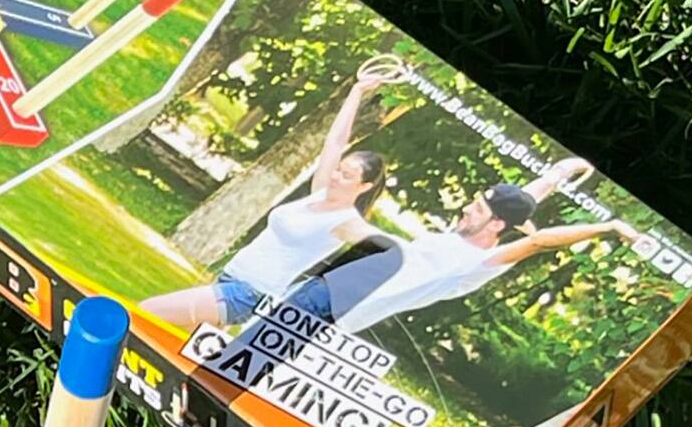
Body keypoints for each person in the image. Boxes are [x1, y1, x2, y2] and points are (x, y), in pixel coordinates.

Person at [142, 68, 394, 331]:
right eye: (339, 169)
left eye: (347, 176)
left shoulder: (346, 222)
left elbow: (385, 247)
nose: (336, 176)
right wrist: (358, 91)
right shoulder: (320, 191)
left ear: (363, 186)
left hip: (247, 294)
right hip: (229, 278)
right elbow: (334, 142)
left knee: (147, 312)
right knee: (181, 352)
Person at [277, 163, 633, 337]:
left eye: (477, 210)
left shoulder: (479, 262)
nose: (466, 209)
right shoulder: (463, 234)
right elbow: (520, 202)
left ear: (496, 227)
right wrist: (559, 172)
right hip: (328, 287)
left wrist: (608, 227)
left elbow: (538, 241)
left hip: (335, 316)